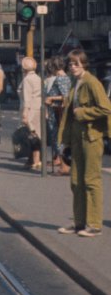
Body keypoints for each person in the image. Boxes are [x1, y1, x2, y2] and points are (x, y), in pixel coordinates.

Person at [56, 49, 111, 237]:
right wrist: (66, 141)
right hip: (77, 137)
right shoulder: (75, 82)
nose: (73, 67)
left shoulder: (92, 82)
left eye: (76, 64)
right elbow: (69, 114)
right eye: (70, 64)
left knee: (91, 180)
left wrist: (83, 113)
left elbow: (105, 108)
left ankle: (94, 224)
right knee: (76, 181)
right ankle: (79, 222)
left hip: (92, 136)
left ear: (84, 64)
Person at [43, 56, 71, 175]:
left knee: (58, 138)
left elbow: (65, 97)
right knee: (58, 138)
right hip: (56, 111)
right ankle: (62, 163)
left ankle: (65, 167)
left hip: (57, 111)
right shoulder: (65, 78)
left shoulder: (61, 79)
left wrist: (51, 98)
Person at [18, 56, 42, 171]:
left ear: (23, 68)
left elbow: (27, 97)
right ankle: (35, 160)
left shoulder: (27, 80)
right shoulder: (38, 78)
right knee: (37, 135)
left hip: (30, 109)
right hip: (38, 108)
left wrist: (25, 113)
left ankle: (33, 160)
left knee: (30, 136)